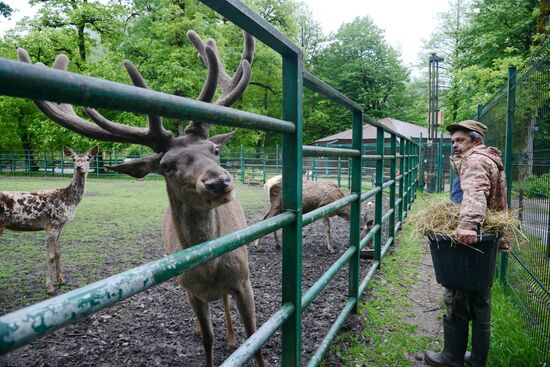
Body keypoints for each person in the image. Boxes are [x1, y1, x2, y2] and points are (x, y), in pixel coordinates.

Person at [424, 120, 509, 367]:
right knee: (480, 298)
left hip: (471, 239)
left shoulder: (474, 160)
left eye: (460, 140)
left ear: (476, 140)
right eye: (452, 141)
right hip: (487, 238)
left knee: (457, 295)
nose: (455, 145)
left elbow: (475, 193)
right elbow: (500, 203)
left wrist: (467, 226)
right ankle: (478, 360)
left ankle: (452, 358)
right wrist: (502, 239)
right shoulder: (490, 159)